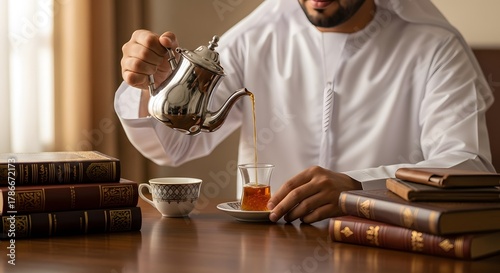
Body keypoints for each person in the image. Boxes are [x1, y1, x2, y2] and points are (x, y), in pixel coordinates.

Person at [115, 0, 495, 224]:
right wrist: (157, 84)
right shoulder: (255, 38)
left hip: (386, 247)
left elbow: (468, 164)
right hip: (268, 251)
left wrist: (359, 186)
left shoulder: (434, 48)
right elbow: (174, 147)